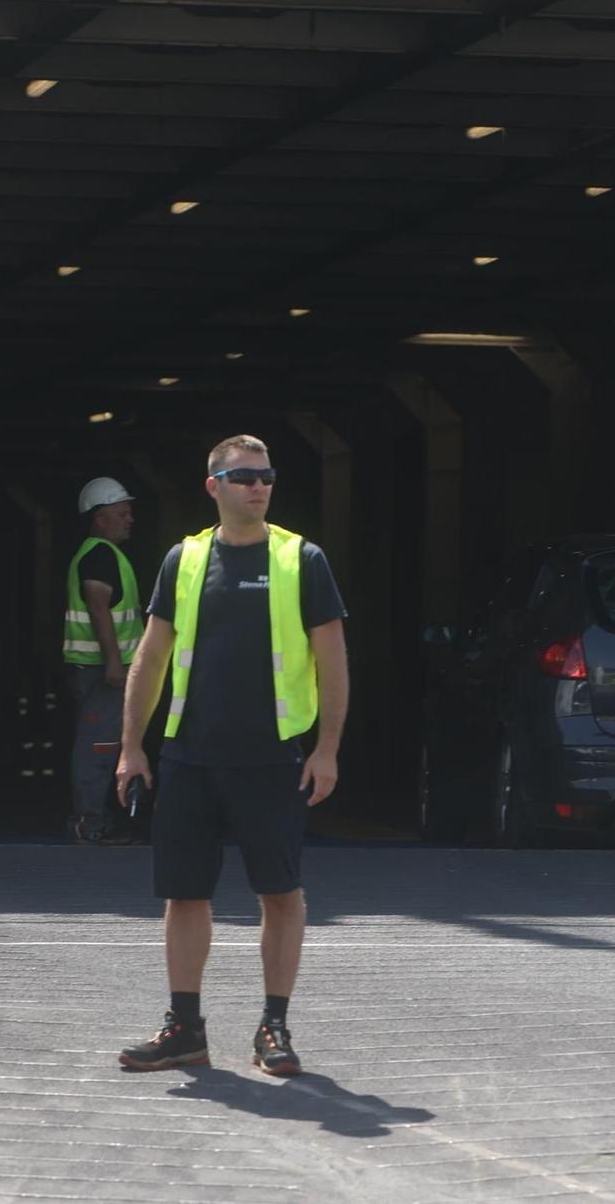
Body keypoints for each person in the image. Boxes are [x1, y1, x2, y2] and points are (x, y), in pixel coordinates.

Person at [113, 435, 349, 1077]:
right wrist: (133, 746)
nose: (259, 486)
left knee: (281, 892)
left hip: (272, 756)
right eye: (244, 477)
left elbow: (332, 659)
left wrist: (325, 750)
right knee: (184, 895)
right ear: (213, 485)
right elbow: (152, 655)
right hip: (190, 755)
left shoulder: (302, 558)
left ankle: (274, 1025)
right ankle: (185, 1028)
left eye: (267, 476)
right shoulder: (184, 560)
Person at [64, 477, 145, 845]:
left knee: (105, 743)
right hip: (101, 672)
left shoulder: (104, 555)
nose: (130, 519)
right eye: (122, 513)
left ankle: (98, 818)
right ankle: (90, 822)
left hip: (103, 671)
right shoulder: (99, 556)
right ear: (100, 518)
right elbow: (99, 609)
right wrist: (115, 663)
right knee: (98, 745)